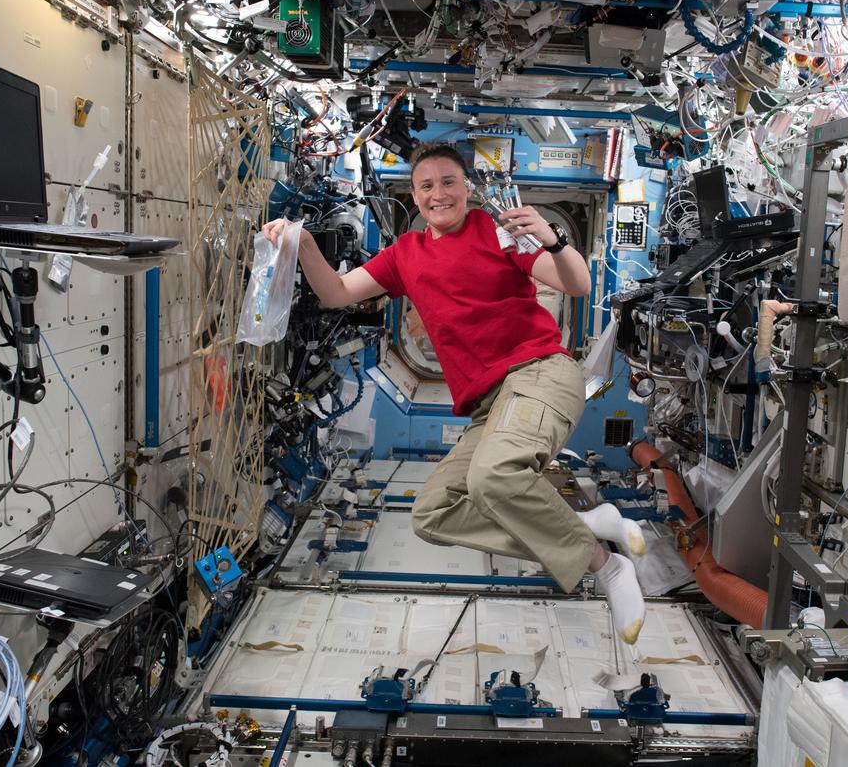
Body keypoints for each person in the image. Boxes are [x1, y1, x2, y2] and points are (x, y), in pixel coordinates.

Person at [262, 142, 647, 643]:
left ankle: (606, 565)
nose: (438, 194)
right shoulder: (404, 254)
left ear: (466, 188)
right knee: (432, 515)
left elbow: (575, 285)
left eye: (449, 182)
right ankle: (589, 527)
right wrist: (303, 245)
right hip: (490, 404)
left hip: (539, 373)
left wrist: (553, 240)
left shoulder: (498, 232)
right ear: (415, 195)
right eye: (426, 186)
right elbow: (335, 293)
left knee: (493, 478)